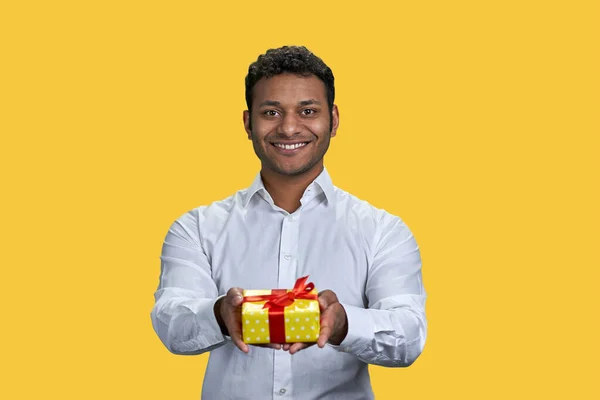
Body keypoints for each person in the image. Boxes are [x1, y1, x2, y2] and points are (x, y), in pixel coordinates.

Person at [150, 46, 427, 399]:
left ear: (334, 120)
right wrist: (219, 313)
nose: (290, 127)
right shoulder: (198, 228)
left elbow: (410, 335)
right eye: (271, 112)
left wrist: (344, 325)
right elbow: (171, 322)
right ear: (249, 123)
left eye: (308, 111)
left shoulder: (382, 231)